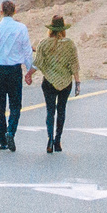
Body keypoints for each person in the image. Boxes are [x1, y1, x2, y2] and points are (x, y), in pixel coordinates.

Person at [0, 0, 35, 150]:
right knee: (15, 104)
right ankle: (11, 131)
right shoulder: (21, 28)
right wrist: (29, 71)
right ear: (15, 11)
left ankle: (2, 140)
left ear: (1, 11)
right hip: (15, 70)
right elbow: (27, 52)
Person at [35, 14, 79, 152]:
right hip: (66, 83)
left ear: (51, 28)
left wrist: (29, 74)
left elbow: (38, 63)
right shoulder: (70, 44)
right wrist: (77, 83)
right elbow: (74, 65)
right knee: (61, 110)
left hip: (49, 81)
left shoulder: (43, 43)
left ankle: (49, 140)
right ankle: (58, 140)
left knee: (50, 111)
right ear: (63, 28)